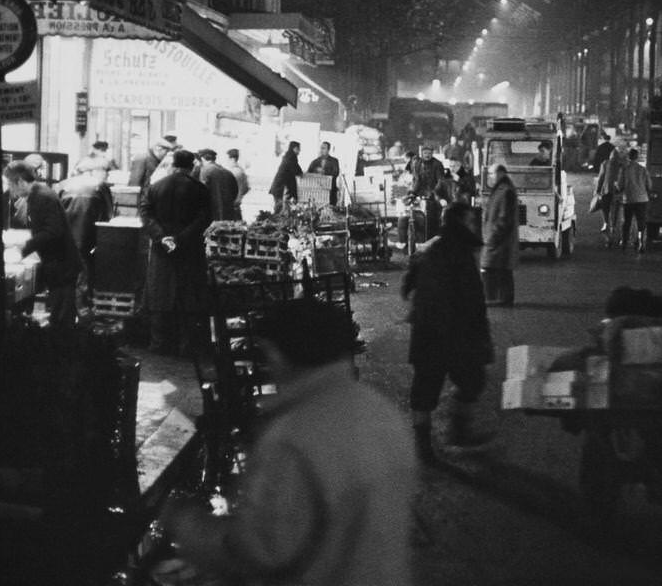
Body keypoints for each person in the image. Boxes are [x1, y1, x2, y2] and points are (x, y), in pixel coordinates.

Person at [161, 298, 415, 584]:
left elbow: (259, 552)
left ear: (278, 355)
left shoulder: (292, 438)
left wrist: (185, 524)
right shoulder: (382, 412)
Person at [402, 202, 495, 461]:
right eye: (470, 220)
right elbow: (472, 300)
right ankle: (447, 436)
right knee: (466, 381)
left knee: (429, 388)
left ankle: (435, 441)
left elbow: (407, 285)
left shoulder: (435, 247)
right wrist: (480, 337)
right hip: (450, 332)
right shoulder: (458, 252)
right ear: (460, 222)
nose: (474, 224)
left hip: (430, 331)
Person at [139, 149, 211, 356]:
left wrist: (162, 237)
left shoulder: (155, 187)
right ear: (191, 166)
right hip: (189, 250)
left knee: (159, 294)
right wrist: (180, 239)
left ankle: (159, 344)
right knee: (188, 296)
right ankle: (185, 345)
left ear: (173, 164)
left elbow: (145, 213)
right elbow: (204, 218)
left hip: (162, 250)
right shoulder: (199, 189)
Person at [5, 160, 84, 329]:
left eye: (11, 185)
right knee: (60, 314)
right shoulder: (37, 195)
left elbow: (52, 232)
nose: (10, 190)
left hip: (62, 266)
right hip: (58, 264)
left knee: (62, 319)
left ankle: (63, 351)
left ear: (19, 181)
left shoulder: (41, 197)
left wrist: (23, 248)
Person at [57, 166, 114, 299]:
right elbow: (108, 214)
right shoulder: (100, 185)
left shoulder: (63, 185)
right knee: (84, 267)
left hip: (66, 234)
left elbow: (55, 210)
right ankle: (82, 304)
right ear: (93, 171)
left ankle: (69, 301)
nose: (107, 175)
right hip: (89, 233)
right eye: (105, 172)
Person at [480, 164, 519, 306]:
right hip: (496, 238)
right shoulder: (500, 189)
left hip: (499, 239)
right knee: (498, 268)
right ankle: (498, 298)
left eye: (491, 173)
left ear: (500, 173)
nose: (489, 176)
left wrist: (493, 236)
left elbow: (504, 218)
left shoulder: (505, 191)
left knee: (498, 268)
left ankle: (500, 299)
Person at [615, 147, 653, 253]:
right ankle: (641, 243)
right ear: (637, 157)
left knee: (627, 222)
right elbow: (649, 185)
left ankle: (625, 243)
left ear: (628, 157)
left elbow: (619, 185)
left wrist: (617, 188)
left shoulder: (624, 169)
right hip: (642, 199)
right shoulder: (643, 170)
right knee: (641, 222)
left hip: (629, 199)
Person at [595, 142, 626, 241]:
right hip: (617, 191)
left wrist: (597, 190)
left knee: (605, 207)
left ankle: (606, 223)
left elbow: (601, 178)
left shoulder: (605, 163)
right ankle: (613, 226)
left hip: (606, 190)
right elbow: (624, 179)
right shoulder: (622, 165)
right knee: (615, 209)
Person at [197, 148, 240, 221]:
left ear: (202, 158)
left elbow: (202, 192)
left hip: (213, 210)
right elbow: (235, 190)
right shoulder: (227, 171)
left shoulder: (205, 170)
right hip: (228, 209)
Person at [268, 141, 302, 211]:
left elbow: (297, 169)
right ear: (294, 148)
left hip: (278, 186)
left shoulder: (288, 155)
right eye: (299, 149)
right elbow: (296, 170)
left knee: (280, 207)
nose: (299, 151)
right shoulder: (291, 157)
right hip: (280, 187)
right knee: (279, 207)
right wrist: (301, 173)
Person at [306, 141, 342, 207]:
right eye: (321, 148)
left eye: (324, 148)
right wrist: (316, 171)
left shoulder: (334, 161)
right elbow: (308, 173)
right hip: (317, 192)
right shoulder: (315, 162)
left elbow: (336, 172)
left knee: (331, 211)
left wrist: (324, 172)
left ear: (328, 150)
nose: (321, 150)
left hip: (330, 191)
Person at [225, 148, 249, 217]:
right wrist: (240, 195)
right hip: (237, 205)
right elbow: (246, 188)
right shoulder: (241, 171)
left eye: (227, 158)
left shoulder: (230, 171)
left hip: (230, 205)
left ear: (231, 159)